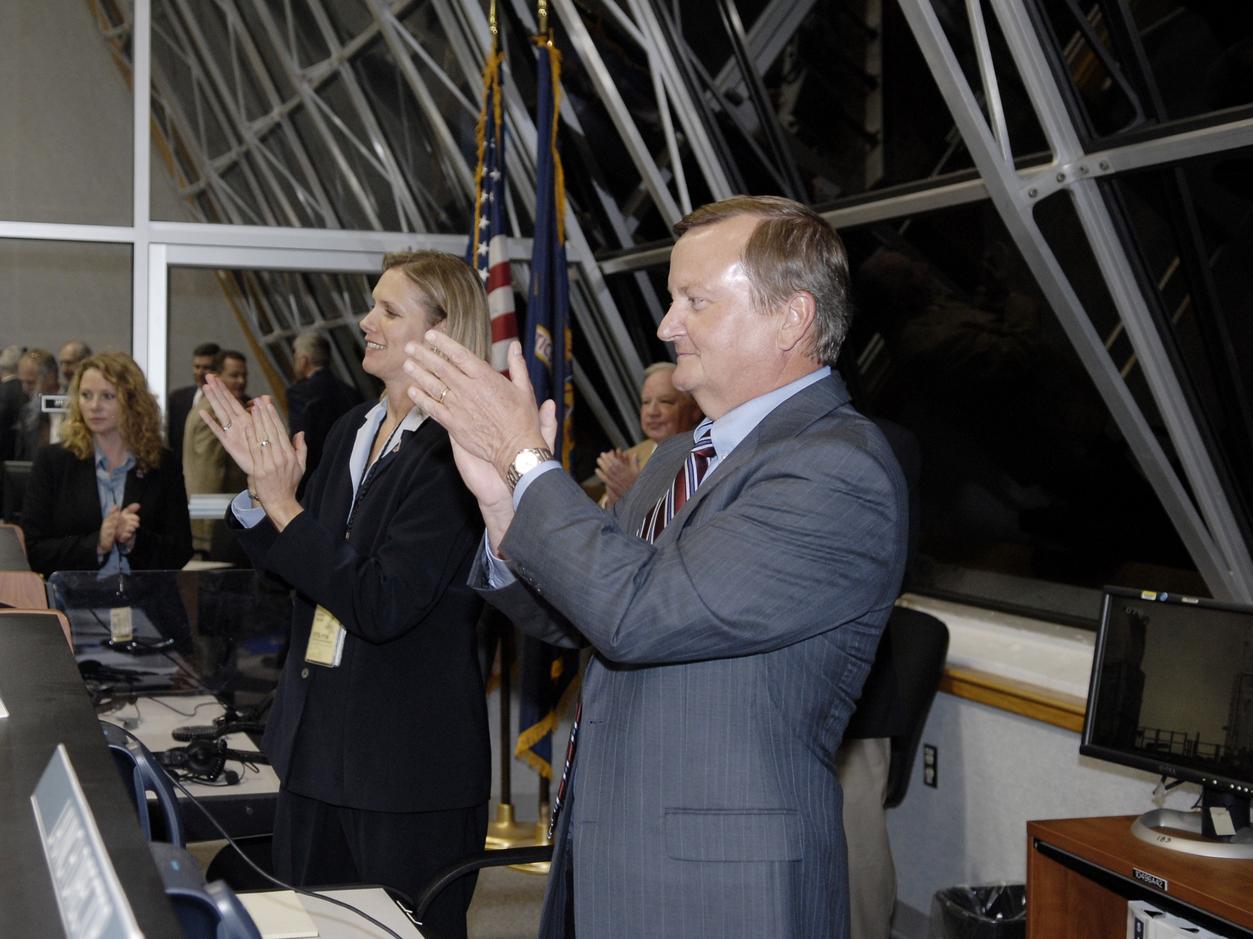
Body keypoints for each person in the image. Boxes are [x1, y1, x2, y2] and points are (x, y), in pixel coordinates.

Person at [403, 195, 908, 938]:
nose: (668, 325)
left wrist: (526, 461)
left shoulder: (834, 469)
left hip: (720, 892)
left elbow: (638, 615)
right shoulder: (678, 457)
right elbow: (586, 613)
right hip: (608, 849)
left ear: (792, 317)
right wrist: (504, 506)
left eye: (694, 301)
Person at [202, 251, 492, 939]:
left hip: (404, 769)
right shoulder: (351, 429)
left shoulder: (461, 448)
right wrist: (262, 500)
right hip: (315, 750)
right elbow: (306, 573)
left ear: (443, 331)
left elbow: (380, 602)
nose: (366, 321)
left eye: (390, 310)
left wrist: (289, 509)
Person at [21, 351, 193, 577]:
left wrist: (133, 540)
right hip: (76, 606)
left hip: (144, 606)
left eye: (107, 396)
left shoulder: (161, 463)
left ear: (132, 401)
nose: (94, 406)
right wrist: (97, 544)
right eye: (86, 395)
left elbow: (180, 551)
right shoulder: (54, 462)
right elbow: (35, 552)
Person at [594, 361, 701, 507]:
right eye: (645, 402)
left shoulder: (705, 457)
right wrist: (614, 499)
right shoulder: (631, 456)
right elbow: (601, 520)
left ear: (695, 411)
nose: (652, 412)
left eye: (665, 401)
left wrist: (637, 492)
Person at [183, 349, 249, 557]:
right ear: (218, 378)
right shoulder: (213, 414)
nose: (241, 381)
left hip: (219, 520)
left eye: (244, 375)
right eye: (234, 375)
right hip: (214, 525)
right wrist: (213, 528)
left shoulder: (221, 409)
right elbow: (209, 474)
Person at [286, 329, 362, 486]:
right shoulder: (349, 391)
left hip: (316, 477)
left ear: (303, 361)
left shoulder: (300, 392)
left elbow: (301, 441)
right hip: (349, 474)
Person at [167, 342, 220, 457]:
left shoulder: (227, 402)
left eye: (206, 368)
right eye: (197, 367)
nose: (200, 372)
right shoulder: (177, 399)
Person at [14, 348, 61, 457]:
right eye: (22, 382)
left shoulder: (74, 407)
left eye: (30, 383)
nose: (25, 389)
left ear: (50, 378)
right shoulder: (26, 411)